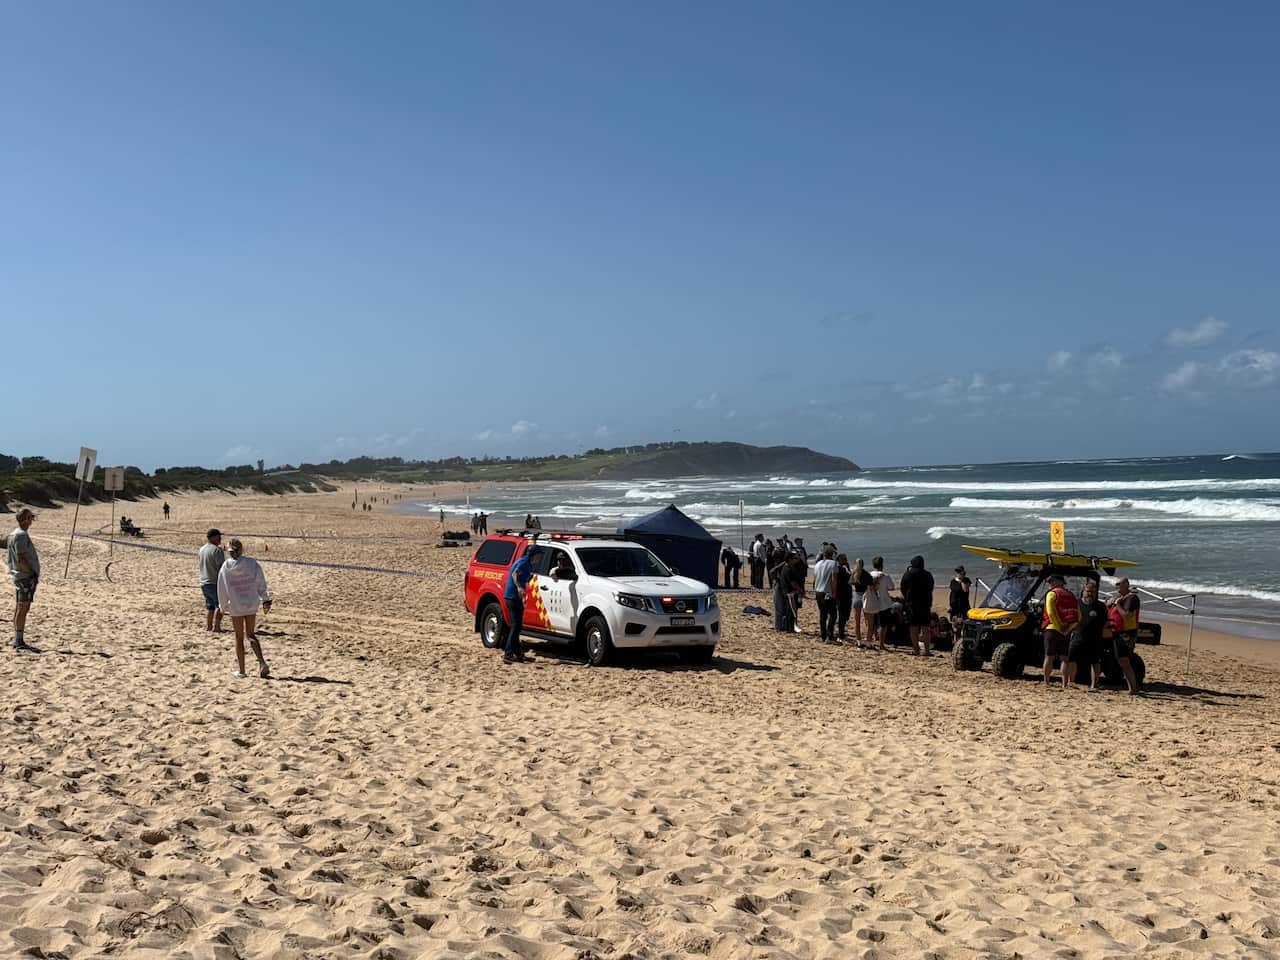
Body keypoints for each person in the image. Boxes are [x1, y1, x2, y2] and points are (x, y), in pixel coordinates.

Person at [216, 538, 273, 678]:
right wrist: (265, 598)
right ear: (241, 550)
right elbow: (260, 581)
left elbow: (221, 587)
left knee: (239, 637)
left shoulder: (226, 566)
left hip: (236, 605)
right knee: (251, 635)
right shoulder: (251, 563)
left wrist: (222, 606)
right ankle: (261, 662)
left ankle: (242, 671)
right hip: (251, 603)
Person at [7, 508, 40, 652]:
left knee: (21, 606)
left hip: (22, 575)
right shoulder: (20, 535)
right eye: (30, 518)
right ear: (25, 519)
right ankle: (18, 640)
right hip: (24, 577)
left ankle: (18, 638)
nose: (31, 521)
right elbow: (21, 558)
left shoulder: (16, 534)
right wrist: (31, 573)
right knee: (23, 607)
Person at [502, 545, 541, 663]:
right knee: (516, 626)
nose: (539, 557)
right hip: (512, 597)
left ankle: (518, 654)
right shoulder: (524, 562)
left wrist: (529, 577)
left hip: (515, 597)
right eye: (539, 554)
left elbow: (523, 576)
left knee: (517, 626)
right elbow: (515, 574)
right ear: (534, 555)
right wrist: (519, 587)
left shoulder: (527, 563)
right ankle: (508, 653)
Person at [1066, 579, 1106, 691]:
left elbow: (1105, 622)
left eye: (1093, 592)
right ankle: (1071, 681)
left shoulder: (1100, 606)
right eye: (1088, 591)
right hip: (1077, 636)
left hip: (1094, 638)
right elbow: (1070, 618)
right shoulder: (1076, 603)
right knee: (1071, 659)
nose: (1090, 594)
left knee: (1095, 662)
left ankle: (1094, 684)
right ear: (1083, 591)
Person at [1041, 573, 1079, 686]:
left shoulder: (1052, 594)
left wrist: (1059, 627)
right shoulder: (1071, 595)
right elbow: (1078, 615)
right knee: (1064, 658)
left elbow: (1051, 613)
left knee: (1049, 656)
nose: (1050, 583)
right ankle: (1064, 683)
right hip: (1067, 630)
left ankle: (1046, 681)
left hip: (1052, 628)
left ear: (1060, 582)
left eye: (1052, 581)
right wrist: (1068, 629)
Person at [1107, 587, 1140, 695]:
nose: (1116, 587)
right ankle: (1132, 688)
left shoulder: (1132, 598)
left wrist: (1117, 604)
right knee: (1122, 661)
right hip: (1116, 632)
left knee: (1124, 661)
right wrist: (1110, 603)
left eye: (1118, 584)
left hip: (1125, 634)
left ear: (1125, 585)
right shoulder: (1120, 598)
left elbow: (1126, 615)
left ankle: (1133, 689)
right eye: (1115, 584)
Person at [900, 555, 935, 656]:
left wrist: (907, 597)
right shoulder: (928, 575)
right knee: (925, 628)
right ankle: (927, 650)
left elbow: (903, 587)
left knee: (913, 628)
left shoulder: (908, 574)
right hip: (925, 604)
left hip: (912, 604)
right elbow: (931, 588)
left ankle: (916, 650)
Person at [198, 528, 227, 634]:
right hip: (214, 581)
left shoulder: (202, 549)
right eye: (218, 536)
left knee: (210, 606)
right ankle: (217, 627)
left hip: (203, 581)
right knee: (219, 605)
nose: (220, 538)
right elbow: (222, 568)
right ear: (212, 537)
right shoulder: (217, 550)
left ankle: (209, 626)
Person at [863, 556, 894, 651]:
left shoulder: (869, 575)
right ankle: (881, 644)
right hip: (884, 603)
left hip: (872, 602)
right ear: (882, 565)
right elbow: (891, 587)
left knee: (872, 624)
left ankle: (872, 639)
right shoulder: (885, 576)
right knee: (883, 625)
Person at [811, 546, 838, 642]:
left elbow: (815, 578)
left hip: (818, 592)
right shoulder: (833, 564)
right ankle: (829, 635)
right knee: (833, 614)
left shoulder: (818, 564)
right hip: (827, 592)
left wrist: (814, 589)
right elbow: (834, 579)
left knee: (823, 615)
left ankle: (823, 635)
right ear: (832, 554)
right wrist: (834, 593)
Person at [850, 557, 872, 647]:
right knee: (868, 622)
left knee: (857, 622)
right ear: (863, 564)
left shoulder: (854, 574)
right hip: (865, 597)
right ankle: (868, 641)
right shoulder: (866, 574)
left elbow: (850, 583)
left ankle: (858, 640)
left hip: (856, 597)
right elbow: (871, 584)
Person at [834, 553, 853, 643]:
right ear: (839, 560)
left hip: (844, 594)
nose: (846, 560)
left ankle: (841, 633)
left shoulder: (841, 569)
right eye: (844, 559)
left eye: (846, 558)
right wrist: (848, 568)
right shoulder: (840, 569)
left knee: (844, 615)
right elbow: (851, 578)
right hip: (842, 595)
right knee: (843, 615)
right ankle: (841, 635)